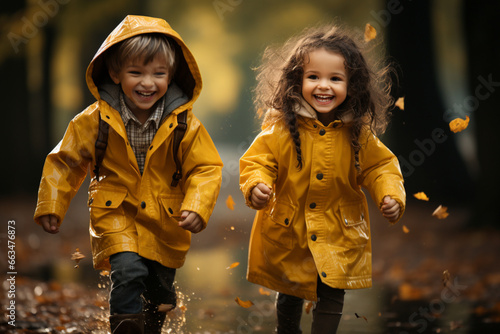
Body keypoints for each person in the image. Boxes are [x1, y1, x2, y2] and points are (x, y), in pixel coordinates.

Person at [34, 15, 223, 334]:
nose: (147, 83)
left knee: (160, 293)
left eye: (158, 74)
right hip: (115, 212)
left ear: (171, 74)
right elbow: (65, 161)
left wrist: (197, 204)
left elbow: (205, 167)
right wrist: (52, 203)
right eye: (136, 72)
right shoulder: (94, 120)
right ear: (115, 72)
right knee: (127, 271)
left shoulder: (184, 124)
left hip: (165, 220)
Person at [239, 23, 406, 333]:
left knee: (331, 293)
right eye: (313, 77)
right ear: (297, 81)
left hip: (338, 232)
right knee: (289, 293)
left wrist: (391, 196)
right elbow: (257, 161)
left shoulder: (358, 134)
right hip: (292, 232)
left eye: (335, 79)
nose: (323, 86)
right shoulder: (281, 129)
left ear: (352, 85)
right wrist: (257, 185)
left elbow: (381, 167)